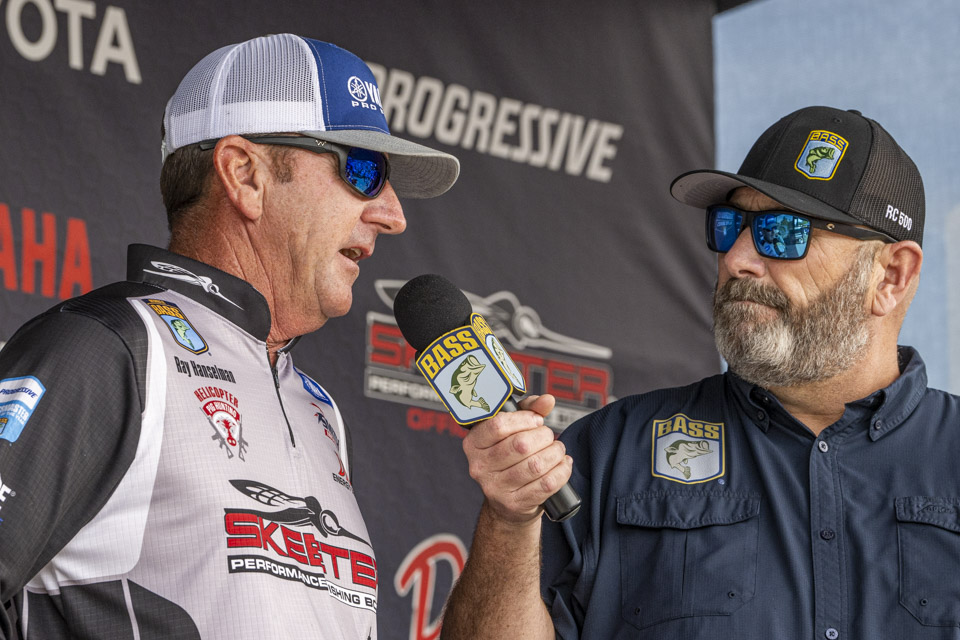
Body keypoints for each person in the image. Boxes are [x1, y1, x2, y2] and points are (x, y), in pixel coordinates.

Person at [0, 33, 458, 638]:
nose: (393, 215)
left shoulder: (318, 410)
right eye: (365, 171)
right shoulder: (110, 349)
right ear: (245, 175)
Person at [440, 106, 958, 639]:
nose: (737, 258)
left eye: (784, 232)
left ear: (891, 276)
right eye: (729, 227)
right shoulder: (608, 452)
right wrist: (509, 522)